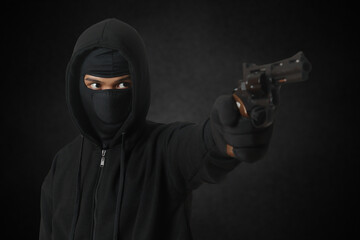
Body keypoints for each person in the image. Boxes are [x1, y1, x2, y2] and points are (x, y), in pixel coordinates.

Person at [39, 18, 274, 240]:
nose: (107, 97)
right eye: (95, 85)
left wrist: (225, 135)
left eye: (122, 84)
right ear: (77, 85)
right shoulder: (63, 164)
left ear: (139, 83)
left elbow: (202, 145)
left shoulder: (166, 151)